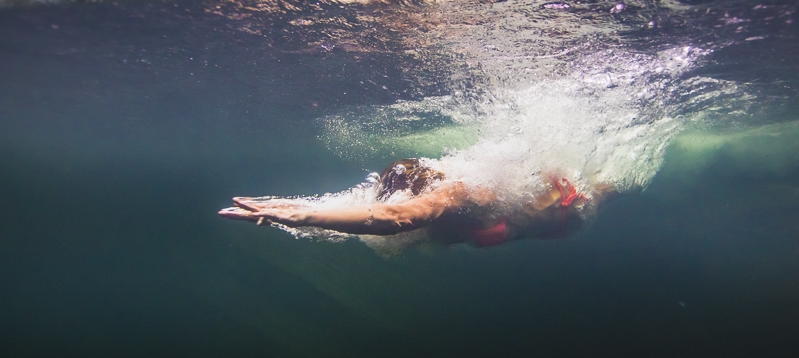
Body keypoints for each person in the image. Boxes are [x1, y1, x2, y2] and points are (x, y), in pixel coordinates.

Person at [218, 158, 594, 248]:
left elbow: (399, 216)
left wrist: (303, 216)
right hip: (526, 228)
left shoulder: (454, 192)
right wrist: (284, 209)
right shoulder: (404, 191)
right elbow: (359, 207)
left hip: (560, 212)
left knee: (603, 192)